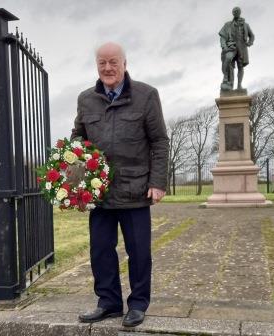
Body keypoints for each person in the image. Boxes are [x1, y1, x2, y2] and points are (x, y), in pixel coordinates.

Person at [71, 42, 169, 327]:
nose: (108, 68)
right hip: (99, 192)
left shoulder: (147, 95)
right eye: (102, 62)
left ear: (125, 63)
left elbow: (159, 141)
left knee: (138, 251)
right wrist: (75, 182)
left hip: (136, 189)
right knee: (100, 250)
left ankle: (138, 304)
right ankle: (108, 302)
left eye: (113, 62)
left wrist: (158, 182)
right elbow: (78, 138)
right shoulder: (85, 99)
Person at [219, 7, 255, 91]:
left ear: (240, 12)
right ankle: (228, 83)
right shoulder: (228, 24)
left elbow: (252, 36)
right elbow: (223, 37)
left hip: (242, 47)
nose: (235, 12)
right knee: (228, 60)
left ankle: (239, 85)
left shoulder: (246, 25)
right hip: (232, 47)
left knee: (240, 66)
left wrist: (250, 42)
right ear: (232, 13)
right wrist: (224, 46)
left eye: (237, 11)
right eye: (234, 11)